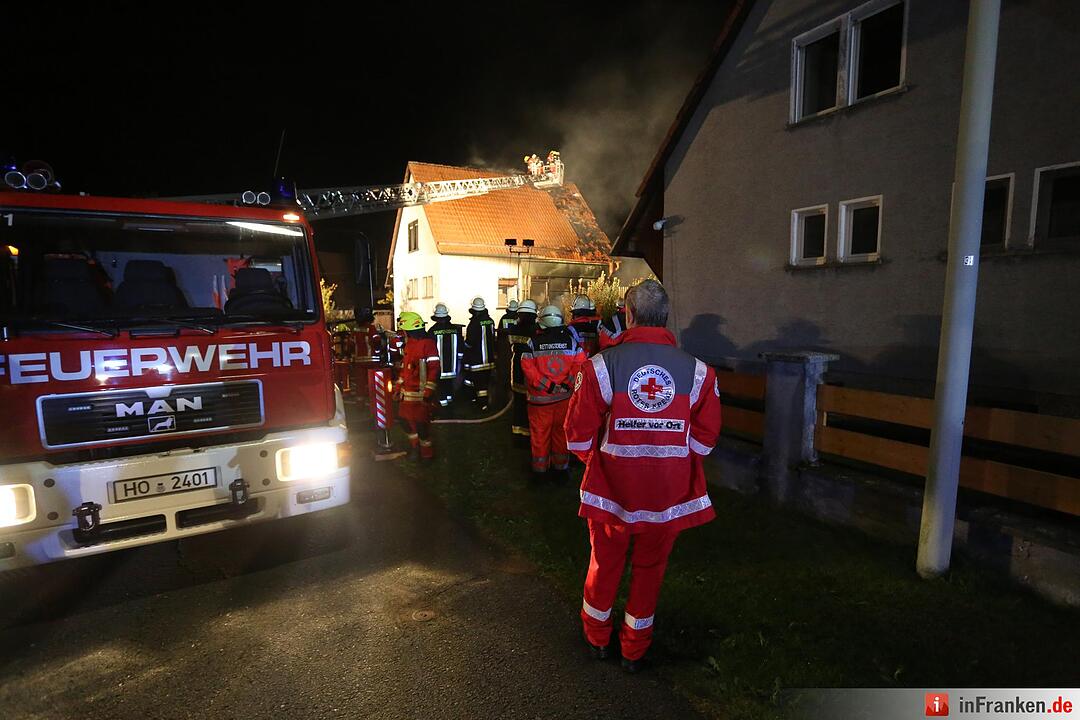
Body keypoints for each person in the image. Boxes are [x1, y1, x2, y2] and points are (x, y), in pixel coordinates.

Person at [564, 279, 722, 672]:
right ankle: (635, 649)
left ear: (628, 315)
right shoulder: (699, 371)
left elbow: (577, 433)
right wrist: (679, 461)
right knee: (650, 569)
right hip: (668, 494)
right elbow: (706, 436)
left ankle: (597, 638)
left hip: (612, 492)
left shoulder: (601, 365)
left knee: (604, 563)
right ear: (665, 317)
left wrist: (597, 463)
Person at [521, 305, 586, 478]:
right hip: (564, 400)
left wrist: (547, 386)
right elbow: (580, 366)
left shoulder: (532, 343)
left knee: (540, 436)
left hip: (540, 402)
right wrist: (566, 385)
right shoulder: (572, 342)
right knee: (561, 435)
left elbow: (528, 369)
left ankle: (540, 472)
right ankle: (561, 470)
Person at [394, 311, 440, 460]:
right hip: (407, 394)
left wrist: (428, 391)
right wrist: (397, 387)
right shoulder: (409, 345)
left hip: (421, 395)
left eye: (404, 331)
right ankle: (415, 448)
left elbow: (434, 369)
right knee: (404, 422)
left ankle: (427, 454)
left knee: (422, 427)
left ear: (409, 330)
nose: (403, 334)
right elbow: (405, 369)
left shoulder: (428, 344)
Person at [507, 299, 539, 437]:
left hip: (517, 372)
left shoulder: (513, 328)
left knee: (518, 405)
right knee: (531, 405)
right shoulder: (538, 330)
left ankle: (518, 434)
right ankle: (530, 432)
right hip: (532, 373)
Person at [462, 296, 496, 411]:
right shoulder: (490, 321)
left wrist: (464, 346)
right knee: (485, 383)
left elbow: (470, 343)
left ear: (474, 310)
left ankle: (482, 405)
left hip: (477, 360)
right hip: (489, 360)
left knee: (479, 384)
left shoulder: (474, 323)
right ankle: (484, 403)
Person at [429, 303, 463, 408]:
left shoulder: (432, 331)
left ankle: (443, 407)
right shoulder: (455, 329)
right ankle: (450, 405)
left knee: (440, 388)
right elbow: (461, 346)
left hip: (439, 367)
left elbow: (429, 348)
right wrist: (460, 361)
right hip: (453, 367)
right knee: (449, 386)